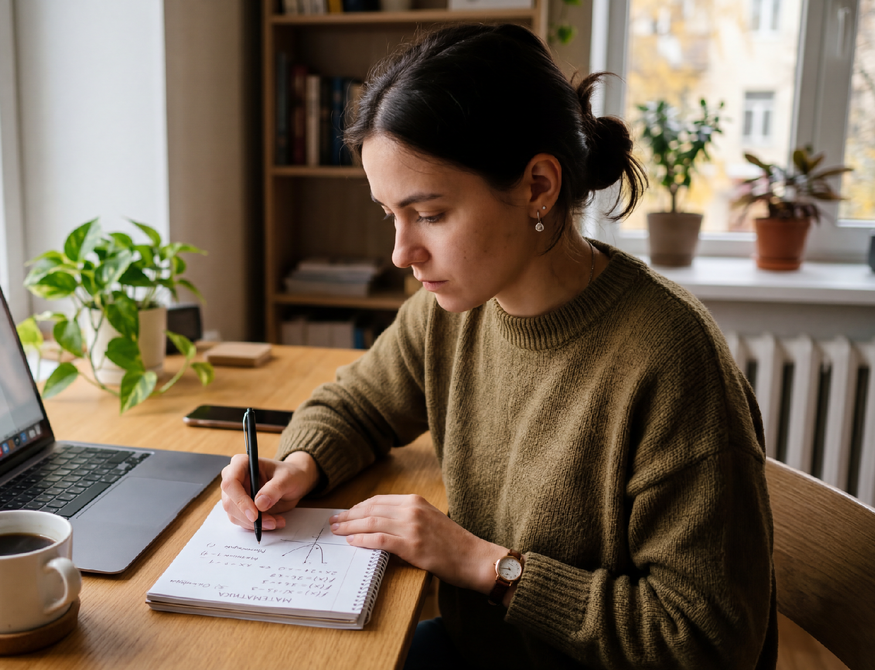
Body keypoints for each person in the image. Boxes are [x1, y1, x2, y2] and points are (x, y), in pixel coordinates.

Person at [219, 23, 776, 670]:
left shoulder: (671, 361)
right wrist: (297, 466)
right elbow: (358, 404)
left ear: (539, 186)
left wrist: (483, 564)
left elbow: (707, 641)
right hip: (480, 652)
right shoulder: (449, 311)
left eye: (429, 215)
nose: (401, 253)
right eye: (389, 215)